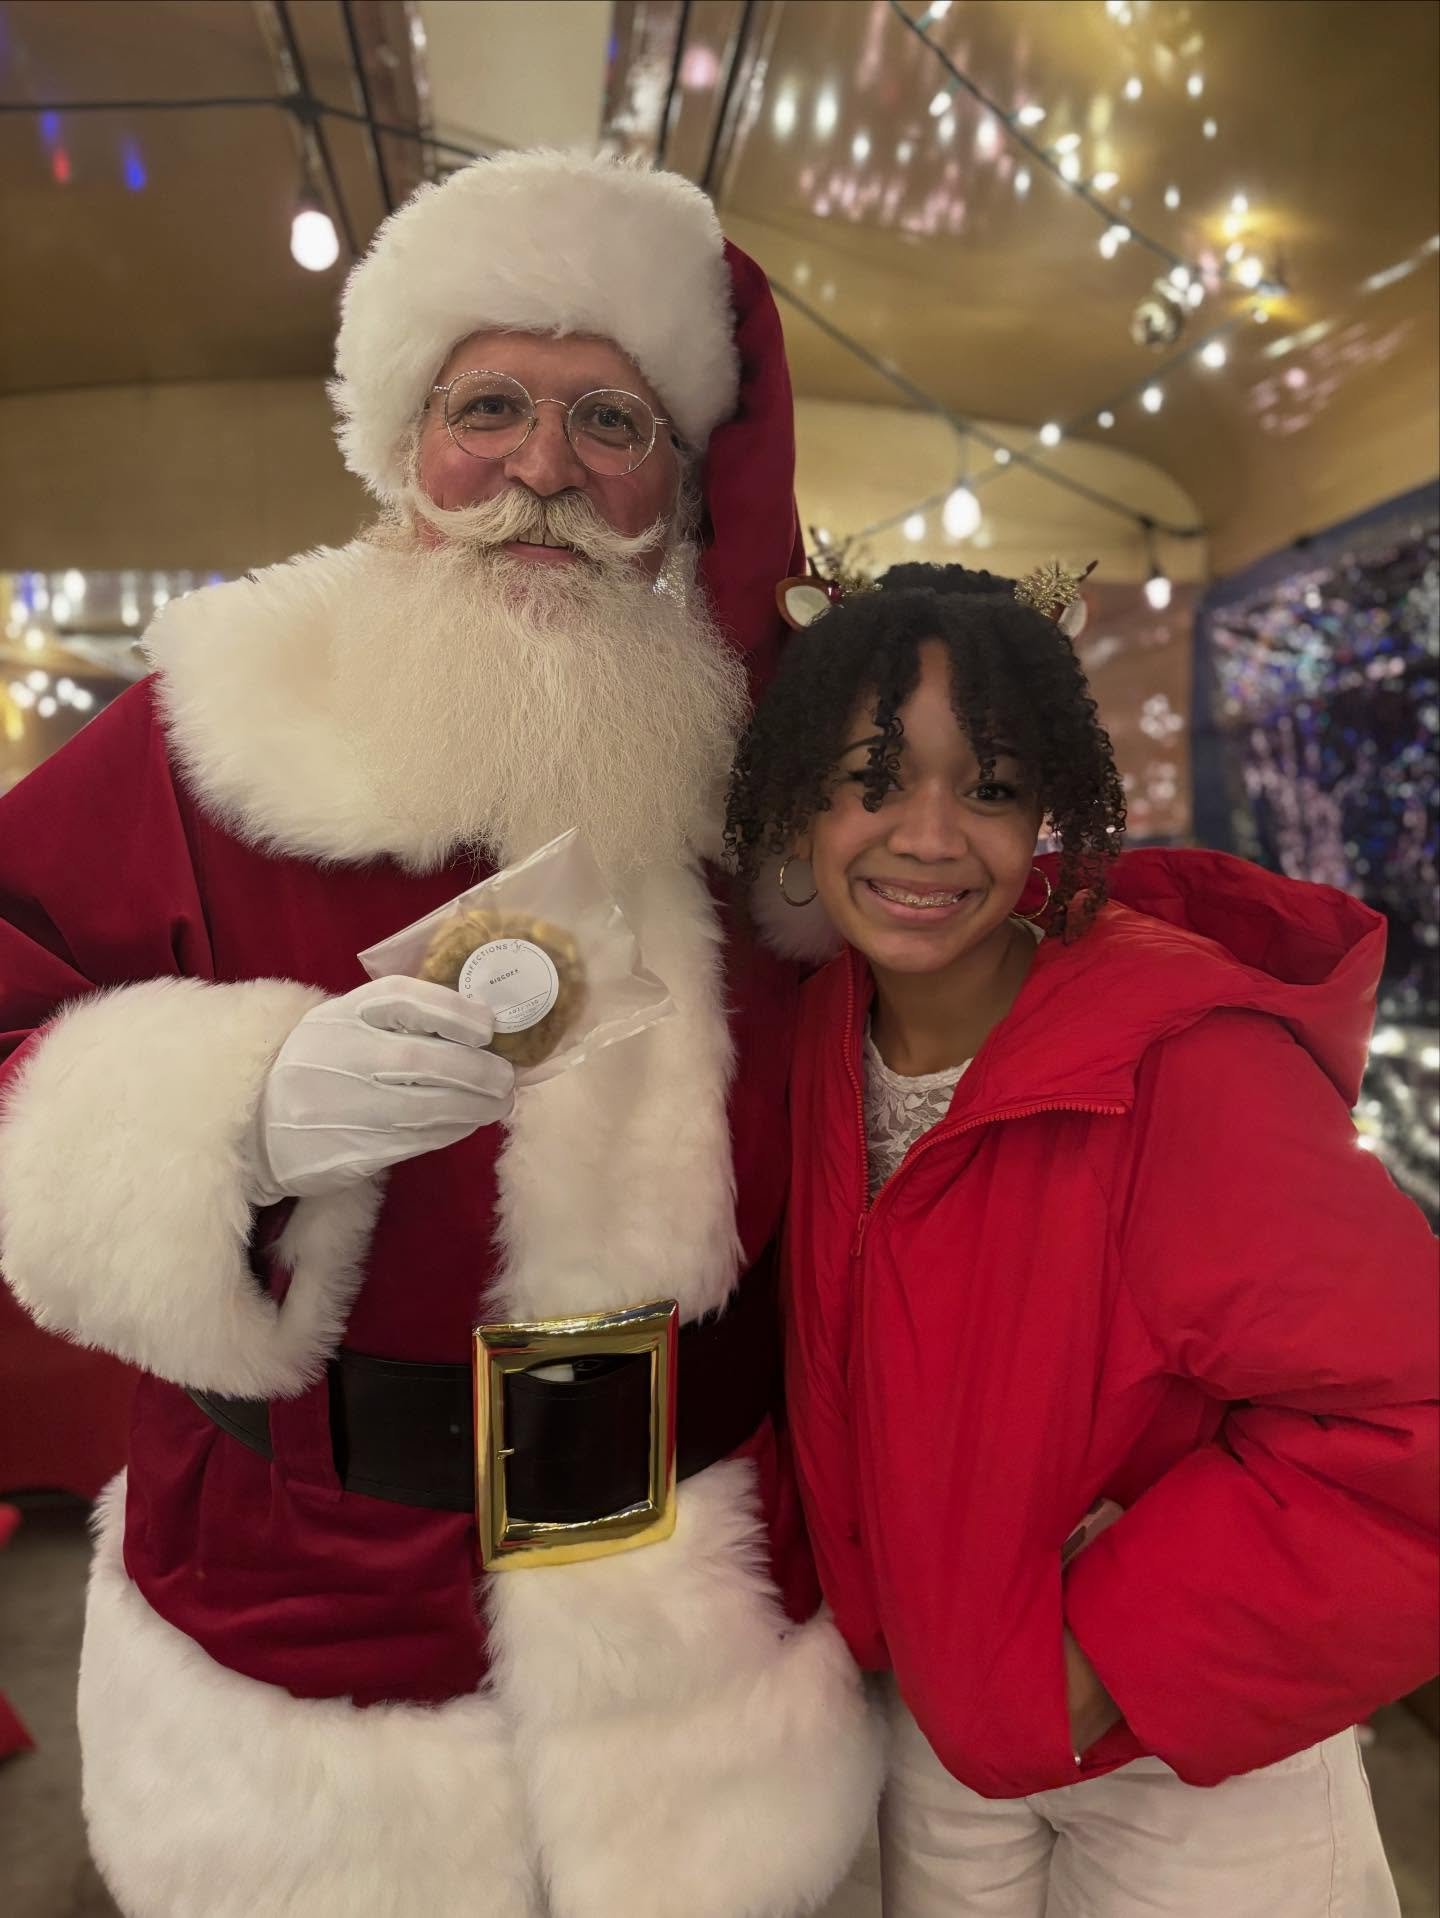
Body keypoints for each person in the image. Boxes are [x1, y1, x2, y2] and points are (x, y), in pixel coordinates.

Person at [0, 151, 882, 1918]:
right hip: (307, 1636)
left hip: (700, 1635)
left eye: (611, 422)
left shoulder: (778, 766)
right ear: (404, 443)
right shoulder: (210, 723)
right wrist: (225, 1121)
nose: (544, 469)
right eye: (491, 406)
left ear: (678, 485)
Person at [726, 562, 1439, 1918]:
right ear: (803, 800)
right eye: (876, 777)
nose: (930, 835)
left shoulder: (1184, 1064)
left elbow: (1413, 1416)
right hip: (937, 1735)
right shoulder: (824, 1040)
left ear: (1048, 804)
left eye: (989, 786)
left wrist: (1102, 1650)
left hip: (1188, 1758)